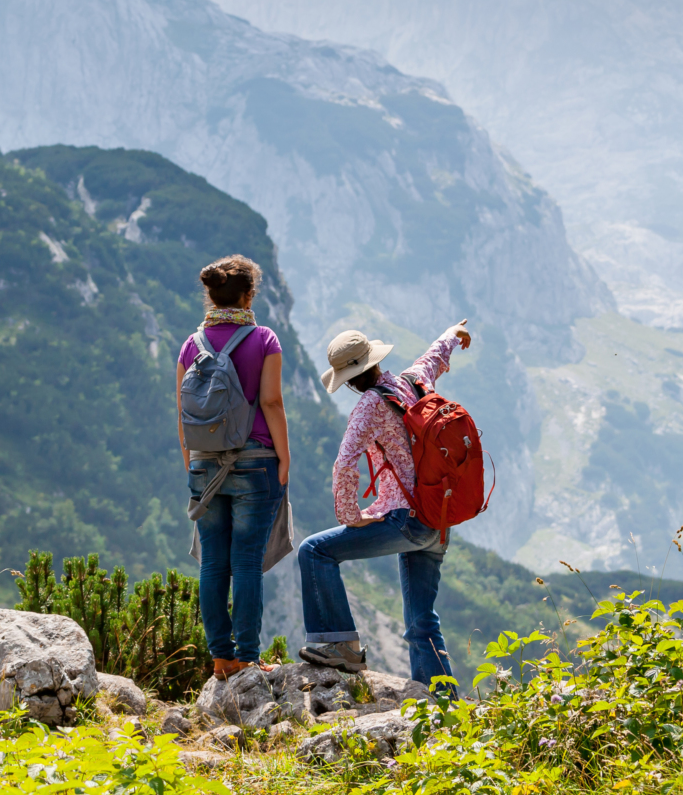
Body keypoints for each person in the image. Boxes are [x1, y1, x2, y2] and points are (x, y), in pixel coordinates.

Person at [297, 319, 472, 688]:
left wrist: (351, 516)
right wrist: (452, 335)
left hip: (405, 520)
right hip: (437, 518)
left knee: (314, 551)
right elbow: (432, 358)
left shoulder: (369, 405)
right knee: (422, 621)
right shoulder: (412, 381)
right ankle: (441, 705)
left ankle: (340, 646)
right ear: (374, 361)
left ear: (348, 380)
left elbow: (345, 463)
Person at [176, 254, 290, 679]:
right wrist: (284, 457)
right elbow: (271, 402)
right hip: (256, 462)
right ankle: (247, 656)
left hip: (203, 463)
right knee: (245, 562)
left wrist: (191, 463)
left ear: (211, 295)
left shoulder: (191, 345)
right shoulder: (264, 339)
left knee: (212, 564)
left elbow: (183, 413)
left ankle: (221, 659)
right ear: (248, 296)